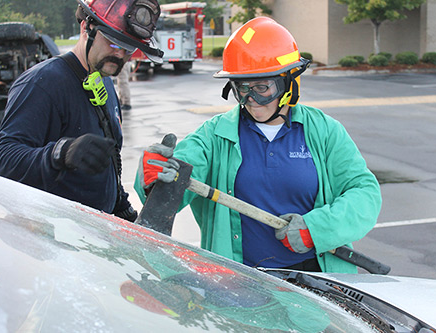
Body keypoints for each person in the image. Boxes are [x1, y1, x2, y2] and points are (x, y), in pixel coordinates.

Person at [135, 17, 382, 273]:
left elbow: (365, 193)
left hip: (315, 281)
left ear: (289, 81)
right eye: (242, 87)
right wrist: (153, 176)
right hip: (239, 284)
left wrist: (317, 229)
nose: (250, 99)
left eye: (262, 87)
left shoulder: (324, 131)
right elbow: (166, 188)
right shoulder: (213, 136)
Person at [0, 0, 163, 222]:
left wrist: (122, 208)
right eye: (113, 42)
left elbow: (106, 166)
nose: (120, 54)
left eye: (129, 47)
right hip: (54, 237)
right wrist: (61, 153)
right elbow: (3, 160)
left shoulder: (104, 82)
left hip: (94, 233)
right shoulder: (42, 83)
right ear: (85, 27)